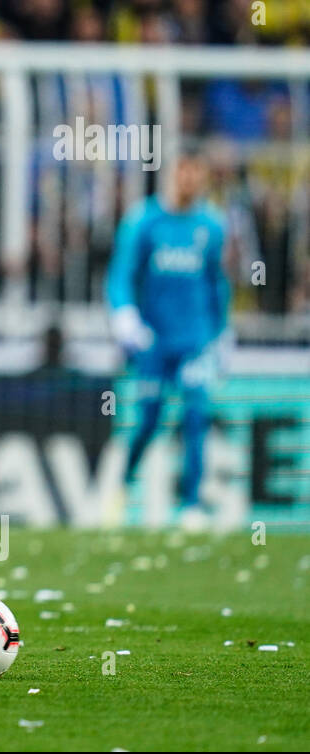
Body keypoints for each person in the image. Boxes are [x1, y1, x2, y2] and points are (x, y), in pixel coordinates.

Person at [107, 150, 230, 526]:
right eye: (184, 172)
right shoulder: (144, 221)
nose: (190, 181)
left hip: (195, 340)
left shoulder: (211, 225)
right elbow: (121, 274)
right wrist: (124, 315)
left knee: (196, 415)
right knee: (150, 418)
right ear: (172, 174)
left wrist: (223, 332)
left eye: (197, 174)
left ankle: (191, 505)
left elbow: (216, 283)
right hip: (153, 342)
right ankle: (122, 483)